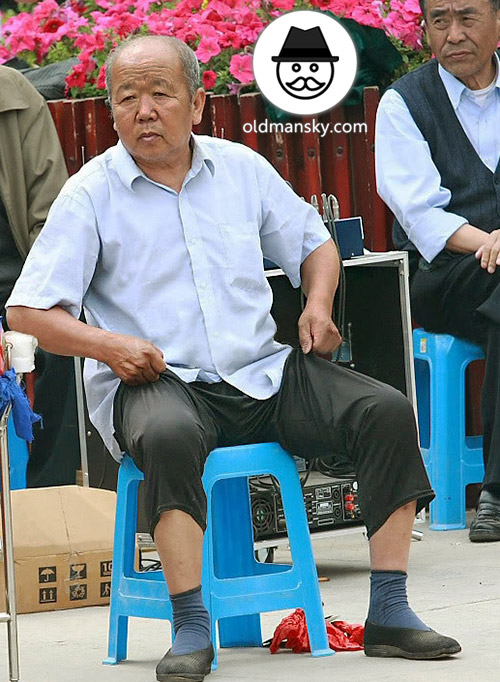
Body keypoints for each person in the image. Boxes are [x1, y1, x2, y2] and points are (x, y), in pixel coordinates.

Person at [7, 35, 460, 681]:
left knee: (383, 411)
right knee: (166, 435)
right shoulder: (91, 194)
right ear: (111, 112)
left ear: (195, 104)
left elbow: (315, 245)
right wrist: (108, 345)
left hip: (262, 371)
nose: (144, 110)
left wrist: (318, 305)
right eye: (127, 98)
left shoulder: (239, 168)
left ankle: (390, 612)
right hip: (160, 380)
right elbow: (28, 314)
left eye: (160, 94)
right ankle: (192, 625)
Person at [375, 0, 500, 543]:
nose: (453, 34)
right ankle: (494, 490)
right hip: (440, 274)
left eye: (467, 18)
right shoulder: (403, 103)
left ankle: (496, 489)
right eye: (439, 21)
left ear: (498, 22)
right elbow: (420, 213)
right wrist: (492, 243)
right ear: (423, 29)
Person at [0, 65, 81, 487]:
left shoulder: (12, 95)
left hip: (19, 284)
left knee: (65, 342)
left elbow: (49, 216)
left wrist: (42, 297)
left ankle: (54, 499)